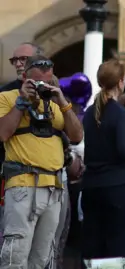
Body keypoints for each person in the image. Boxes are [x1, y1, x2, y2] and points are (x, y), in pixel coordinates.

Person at [0, 55, 83, 268]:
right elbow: (3, 133)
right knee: (15, 256)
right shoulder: (7, 98)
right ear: (25, 77)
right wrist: (21, 102)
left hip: (53, 189)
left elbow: (76, 136)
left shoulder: (56, 104)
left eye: (46, 82)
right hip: (23, 186)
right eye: (36, 83)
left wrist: (62, 100)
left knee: (43, 258)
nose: (41, 87)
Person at [81, 59, 125, 265]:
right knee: (121, 248)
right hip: (117, 186)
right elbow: (124, 151)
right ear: (120, 82)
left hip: (91, 187)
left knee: (94, 247)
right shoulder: (119, 112)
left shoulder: (90, 112)